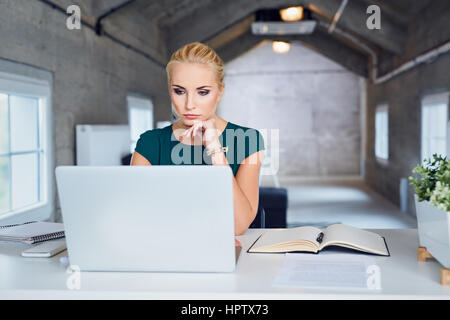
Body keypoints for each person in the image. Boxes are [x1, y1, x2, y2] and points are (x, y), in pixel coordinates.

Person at [131, 42, 265, 236]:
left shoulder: (248, 140)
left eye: (202, 92)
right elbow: (136, 214)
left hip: (222, 251)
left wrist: (215, 151)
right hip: (164, 246)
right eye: (179, 91)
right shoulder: (150, 142)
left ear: (220, 92)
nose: (189, 104)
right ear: (170, 91)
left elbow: (238, 226)